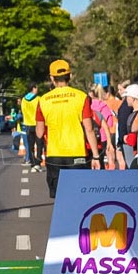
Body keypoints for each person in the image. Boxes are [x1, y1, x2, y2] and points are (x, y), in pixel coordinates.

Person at [35, 59, 101, 198]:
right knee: (79, 195)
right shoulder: (81, 97)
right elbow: (89, 129)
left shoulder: (43, 100)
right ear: (70, 76)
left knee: (60, 196)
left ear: (52, 78)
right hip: (77, 154)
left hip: (54, 155)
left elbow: (39, 133)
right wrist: (96, 156)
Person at [119, 83, 138, 168]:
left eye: (128, 97)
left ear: (133, 98)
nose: (126, 99)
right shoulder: (132, 113)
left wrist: (127, 138)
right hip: (133, 152)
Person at [21, 84, 42, 171]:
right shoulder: (38, 99)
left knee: (31, 145)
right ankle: (38, 163)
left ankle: (32, 163)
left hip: (28, 125)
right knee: (40, 144)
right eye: (37, 87)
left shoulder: (24, 99)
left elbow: (23, 111)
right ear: (33, 88)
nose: (37, 89)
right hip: (37, 124)